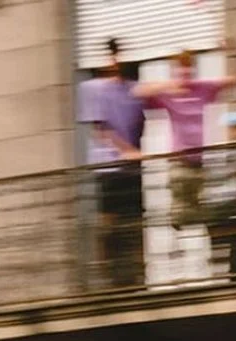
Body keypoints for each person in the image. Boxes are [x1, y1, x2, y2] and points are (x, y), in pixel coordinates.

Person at [136, 43, 236, 231]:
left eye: (188, 67)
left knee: (198, 218)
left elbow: (234, 80)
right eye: (181, 68)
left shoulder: (203, 88)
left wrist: (232, 53)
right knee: (180, 216)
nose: (185, 73)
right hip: (179, 162)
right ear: (175, 71)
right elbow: (138, 92)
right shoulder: (169, 93)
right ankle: (175, 228)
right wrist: (168, 86)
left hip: (199, 163)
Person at [77, 38, 146, 287]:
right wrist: (129, 151)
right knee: (109, 223)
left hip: (131, 169)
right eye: (112, 54)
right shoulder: (93, 89)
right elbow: (100, 129)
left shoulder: (134, 89)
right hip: (109, 168)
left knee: (135, 222)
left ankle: (137, 278)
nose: (116, 60)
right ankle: (106, 278)